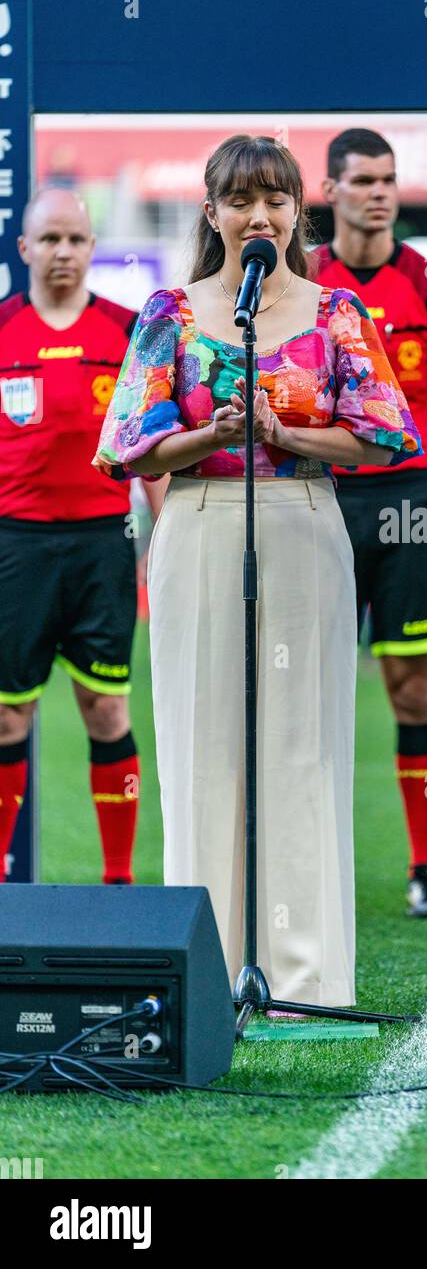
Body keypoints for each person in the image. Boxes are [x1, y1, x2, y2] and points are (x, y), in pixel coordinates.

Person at [93, 135, 421, 1004]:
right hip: (198, 523)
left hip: (305, 522)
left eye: (275, 198)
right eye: (240, 200)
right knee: (200, 750)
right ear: (212, 213)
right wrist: (210, 436)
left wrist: (284, 436)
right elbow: (124, 446)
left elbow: (387, 433)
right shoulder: (172, 310)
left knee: (302, 750)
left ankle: (307, 978)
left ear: (297, 211)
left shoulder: (336, 310)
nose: (259, 215)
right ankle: (206, 969)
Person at [312, 128, 427, 918]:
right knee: (305, 686)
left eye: (389, 179)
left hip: (407, 500)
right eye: (363, 180)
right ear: (332, 189)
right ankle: (308, 862)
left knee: (413, 685)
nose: (379, 193)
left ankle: (425, 872)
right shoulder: (300, 284)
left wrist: (409, 477)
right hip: (314, 501)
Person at [0, 188, 167, 884]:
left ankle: (119, 880)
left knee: (106, 709)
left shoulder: (128, 331)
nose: (63, 251)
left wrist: (163, 539)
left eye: (75, 239)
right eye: (50, 240)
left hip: (103, 543)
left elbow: (150, 445)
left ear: (92, 248)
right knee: (8, 721)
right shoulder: (2, 328)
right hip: (16, 548)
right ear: (25, 248)